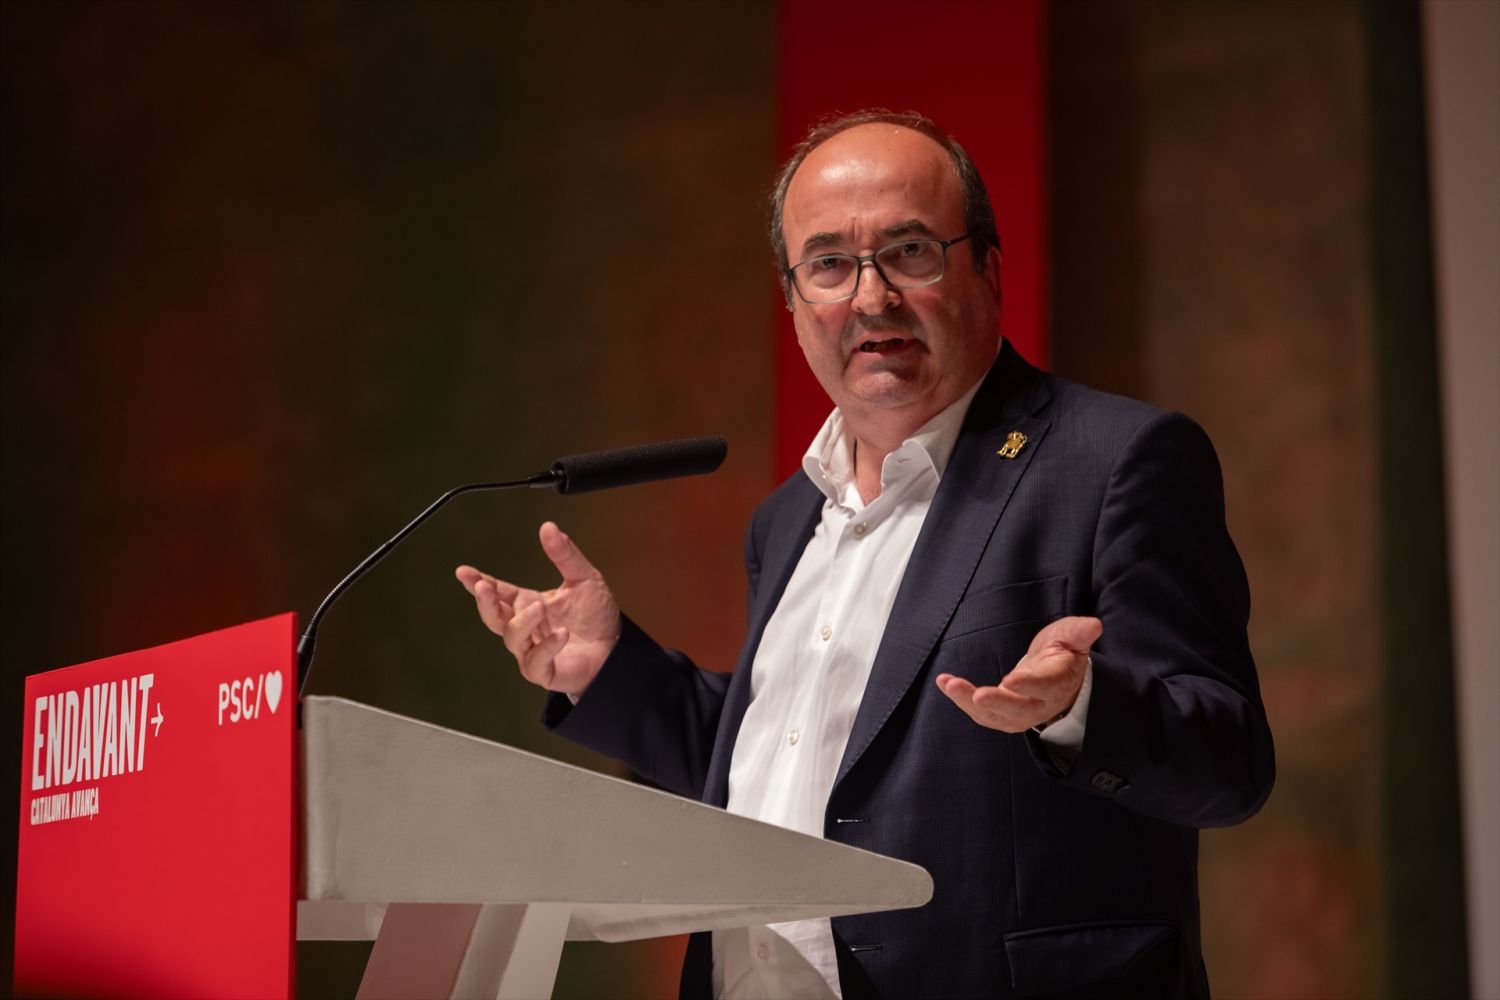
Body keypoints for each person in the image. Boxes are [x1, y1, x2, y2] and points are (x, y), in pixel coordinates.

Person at [456, 110, 1274, 1000]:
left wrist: (1078, 706)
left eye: (911, 251)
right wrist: (608, 670)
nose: (871, 297)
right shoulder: (786, 519)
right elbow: (795, 771)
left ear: (987, 269)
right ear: (795, 301)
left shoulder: (1113, 459)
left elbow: (1226, 766)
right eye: (830, 265)